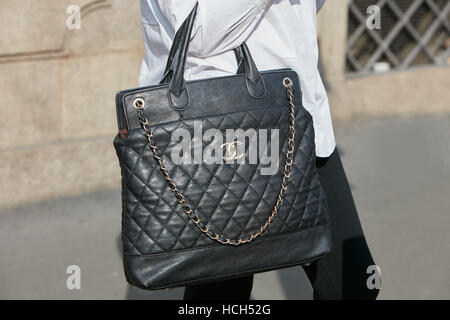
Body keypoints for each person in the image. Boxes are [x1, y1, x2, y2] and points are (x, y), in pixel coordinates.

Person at [137, 0, 380, 300]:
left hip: (298, 116)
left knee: (353, 283)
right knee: (224, 293)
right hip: (219, 134)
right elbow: (197, 31)